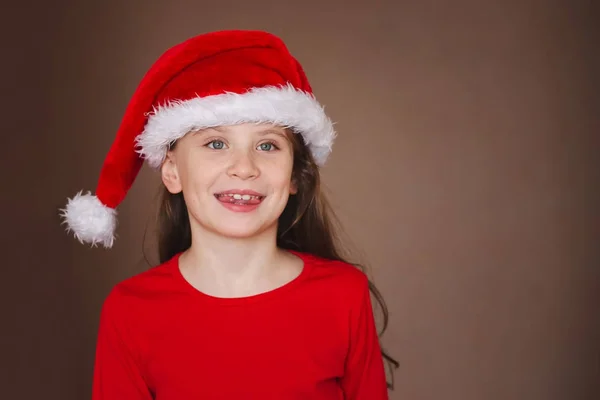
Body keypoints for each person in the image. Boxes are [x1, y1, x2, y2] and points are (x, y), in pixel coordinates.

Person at [60, 29, 398, 399]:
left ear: (294, 177)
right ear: (172, 170)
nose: (244, 167)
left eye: (267, 145)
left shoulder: (343, 295)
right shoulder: (129, 311)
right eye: (216, 143)